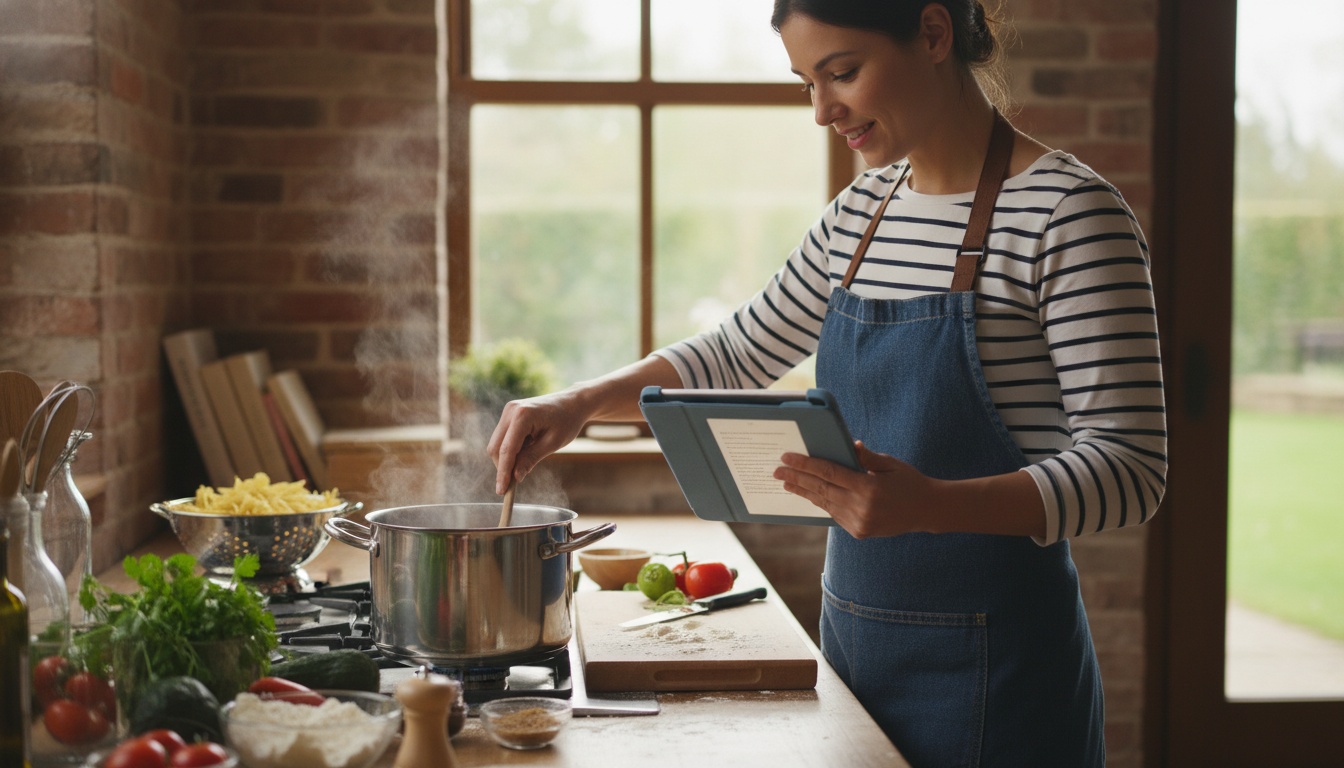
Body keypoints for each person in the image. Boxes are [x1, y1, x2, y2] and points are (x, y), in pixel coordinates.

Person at [488, 1, 1167, 764]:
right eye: (805, 83)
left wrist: (931, 507)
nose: (821, 111)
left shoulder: (1069, 214)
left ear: (935, 34)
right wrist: (577, 403)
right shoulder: (860, 216)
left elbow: (1132, 468)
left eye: (843, 73)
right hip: (855, 652)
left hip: (1002, 678)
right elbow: (737, 351)